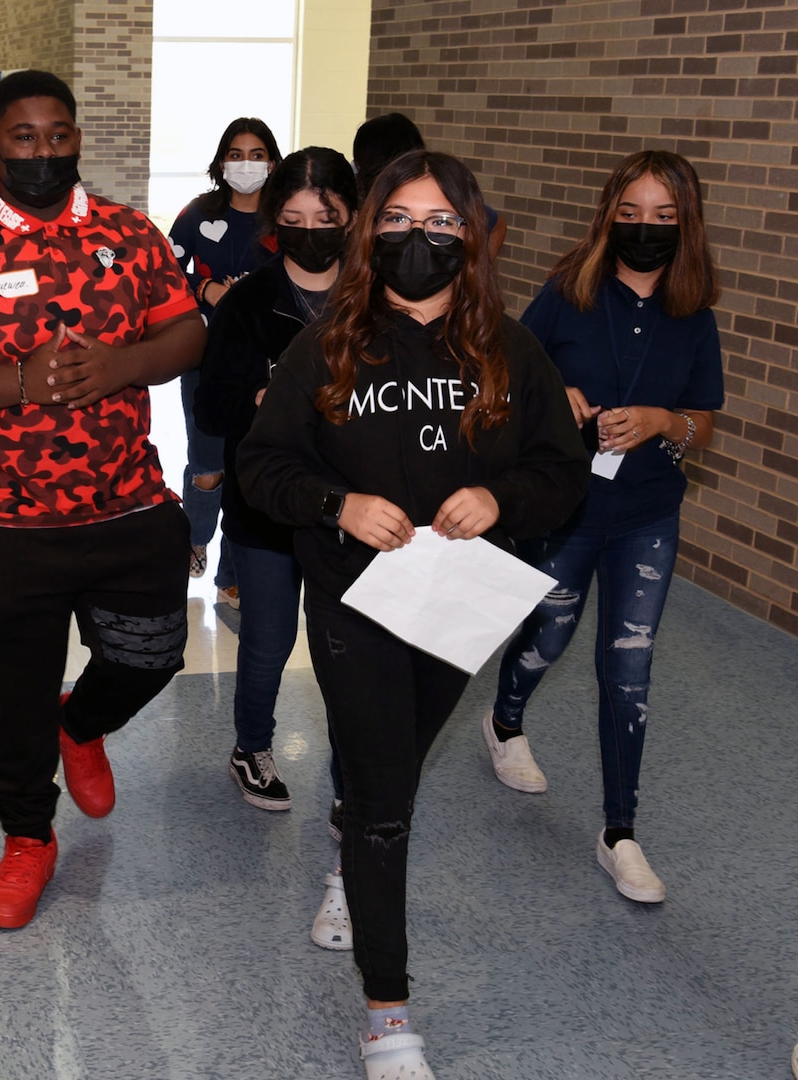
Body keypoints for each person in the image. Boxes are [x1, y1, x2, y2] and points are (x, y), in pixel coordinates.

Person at [238, 149, 589, 1079]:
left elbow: (561, 473)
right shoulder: (328, 345)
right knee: (391, 796)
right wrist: (336, 504)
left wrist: (502, 498)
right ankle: (388, 1014)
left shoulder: (512, 352)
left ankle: (349, 842)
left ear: (471, 239)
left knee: (387, 766)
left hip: (455, 607)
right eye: (397, 221)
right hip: (355, 601)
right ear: (369, 234)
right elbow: (262, 466)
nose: (418, 240)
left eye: (440, 224)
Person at [0, 69, 206, 930]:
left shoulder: (129, 234)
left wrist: (124, 364)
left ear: (75, 137)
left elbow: (187, 330)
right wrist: (18, 381)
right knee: (13, 695)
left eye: (57, 134)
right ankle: (28, 839)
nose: (42, 151)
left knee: (153, 653)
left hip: (127, 499)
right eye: (22, 138)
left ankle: (84, 722)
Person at [484, 150, 723, 903]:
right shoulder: (567, 295)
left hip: (648, 512)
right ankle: (505, 718)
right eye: (630, 214)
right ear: (608, 217)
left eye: (662, 216)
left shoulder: (694, 315)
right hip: (568, 506)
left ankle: (620, 832)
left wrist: (662, 421)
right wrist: (559, 390)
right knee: (550, 635)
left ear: (684, 225)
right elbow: (508, 374)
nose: (645, 229)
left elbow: (703, 422)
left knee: (628, 667)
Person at [194, 145, 359, 948]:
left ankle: (349, 782)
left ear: (351, 220)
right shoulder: (250, 300)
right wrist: (263, 397)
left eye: (324, 219)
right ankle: (251, 747)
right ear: (272, 223)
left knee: (345, 647)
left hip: (351, 510)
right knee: (268, 638)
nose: (309, 232)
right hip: (266, 501)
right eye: (293, 220)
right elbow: (215, 397)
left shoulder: (375, 300)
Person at [169, 118, 283, 605]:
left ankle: (231, 575)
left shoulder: (283, 221)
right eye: (236, 154)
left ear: (273, 162)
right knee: (208, 463)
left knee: (247, 467)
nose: (246, 164)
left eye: (257, 154)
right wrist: (204, 287)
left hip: (263, 362)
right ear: (220, 163)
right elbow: (165, 268)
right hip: (206, 358)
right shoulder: (198, 214)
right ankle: (194, 538)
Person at [353, 112, 508, 260]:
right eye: (397, 219)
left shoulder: (445, 196)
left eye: (439, 222)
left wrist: (474, 273)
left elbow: (496, 226)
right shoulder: (358, 200)